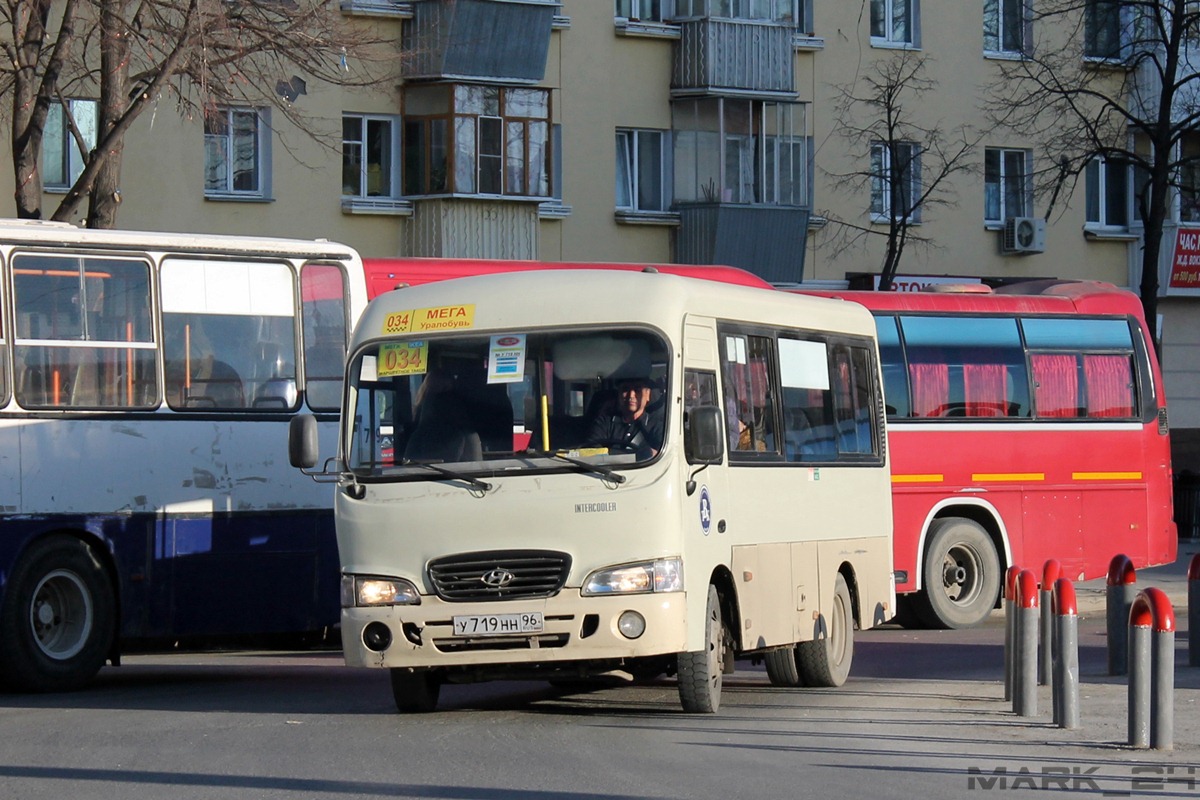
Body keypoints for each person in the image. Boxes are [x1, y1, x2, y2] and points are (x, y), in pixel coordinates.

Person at [585, 376, 664, 458]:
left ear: (648, 395)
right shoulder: (604, 423)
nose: (631, 395)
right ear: (618, 394)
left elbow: (662, 457)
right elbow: (591, 452)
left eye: (637, 390)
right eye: (625, 389)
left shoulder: (658, 427)